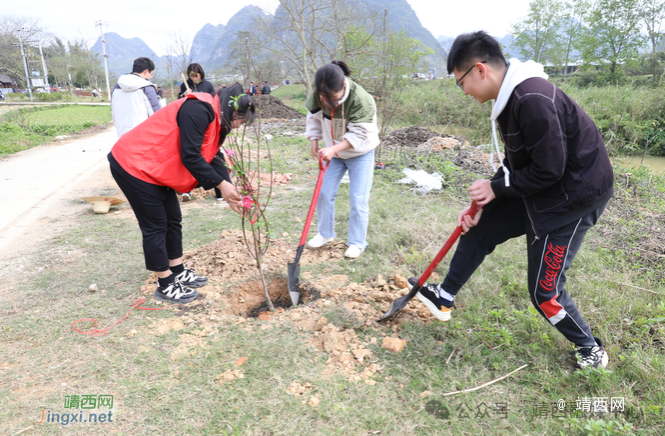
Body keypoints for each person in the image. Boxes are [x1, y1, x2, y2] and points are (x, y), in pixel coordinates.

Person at [409, 31, 614, 370]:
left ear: (479, 70)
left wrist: (498, 188)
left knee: (544, 292)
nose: (463, 92)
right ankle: (443, 297)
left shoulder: (533, 98)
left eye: (460, 83)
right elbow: (518, 164)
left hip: (574, 196)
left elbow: (549, 169)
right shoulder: (508, 100)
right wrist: (484, 200)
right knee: (482, 225)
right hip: (546, 185)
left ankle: (591, 348)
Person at [108, 83, 253, 304]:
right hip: (134, 164)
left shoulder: (213, 116)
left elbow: (213, 155)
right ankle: (165, 285)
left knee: (173, 219)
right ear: (233, 111)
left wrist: (227, 187)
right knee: (156, 225)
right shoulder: (199, 109)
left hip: (154, 167)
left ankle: (177, 271)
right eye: (240, 121)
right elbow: (191, 156)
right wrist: (222, 186)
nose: (239, 126)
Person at [304, 60, 379, 259]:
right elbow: (313, 116)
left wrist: (334, 148)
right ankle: (325, 234)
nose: (330, 102)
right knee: (324, 193)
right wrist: (313, 139)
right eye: (325, 98)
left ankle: (357, 242)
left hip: (360, 154)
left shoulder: (361, 99)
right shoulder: (321, 94)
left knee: (358, 199)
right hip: (334, 154)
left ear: (343, 85)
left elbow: (360, 135)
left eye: (334, 98)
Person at [177, 63, 218, 202]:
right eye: (191, 76)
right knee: (189, 155)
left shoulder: (208, 85)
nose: (194, 78)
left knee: (211, 154)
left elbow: (213, 102)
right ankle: (186, 191)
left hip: (205, 125)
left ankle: (219, 190)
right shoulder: (185, 85)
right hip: (190, 125)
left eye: (197, 75)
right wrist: (184, 95)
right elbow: (179, 103)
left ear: (201, 74)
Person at [111, 57, 161, 139]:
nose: (150, 77)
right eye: (150, 74)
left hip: (122, 134)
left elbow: (113, 111)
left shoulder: (117, 86)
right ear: (146, 71)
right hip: (142, 135)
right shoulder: (146, 87)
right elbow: (156, 114)